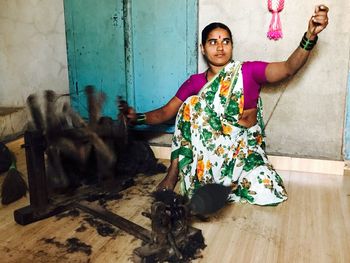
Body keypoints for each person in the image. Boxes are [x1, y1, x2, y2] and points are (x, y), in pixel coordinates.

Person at [121, 5, 329, 205]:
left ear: (231, 45)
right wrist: (137, 118)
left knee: (269, 191)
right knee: (191, 106)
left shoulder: (248, 71)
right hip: (210, 152)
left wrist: (310, 35)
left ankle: (226, 187)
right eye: (213, 42)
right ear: (203, 48)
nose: (220, 47)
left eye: (226, 41)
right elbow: (167, 112)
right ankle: (173, 174)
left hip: (243, 149)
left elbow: (287, 68)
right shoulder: (195, 82)